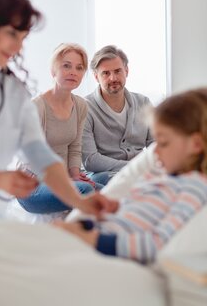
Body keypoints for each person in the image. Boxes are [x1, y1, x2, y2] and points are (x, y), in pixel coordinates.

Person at [0, 0, 118, 220]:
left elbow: (39, 153)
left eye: (23, 38)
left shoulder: (13, 91)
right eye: (12, 34)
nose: (18, 47)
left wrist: (81, 201)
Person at [57, 88, 207, 263]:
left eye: (164, 143)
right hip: (102, 230)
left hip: (110, 248)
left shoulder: (194, 187)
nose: (154, 152)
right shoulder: (158, 173)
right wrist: (116, 207)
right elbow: (136, 214)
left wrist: (92, 239)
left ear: (196, 144)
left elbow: (156, 243)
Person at [18, 43, 103, 214]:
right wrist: (68, 181)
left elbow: (75, 147)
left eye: (79, 68)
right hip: (32, 185)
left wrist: (75, 173)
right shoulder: (37, 107)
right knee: (85, 191)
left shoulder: (80, 105)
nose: (73, 72)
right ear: (53, 71)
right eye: (66, 66)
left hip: (62, 179)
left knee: (108, 183)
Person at [82, 45, 154, 186]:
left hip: (143, 171)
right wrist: (134, 168)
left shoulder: (143, 102)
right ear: (96, 77)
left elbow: (156, 143)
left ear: (126, 71)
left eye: (117, 71)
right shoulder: (85, 108)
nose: (113, 78)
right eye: (105, 73)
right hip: (104, 174)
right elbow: (90, 160)